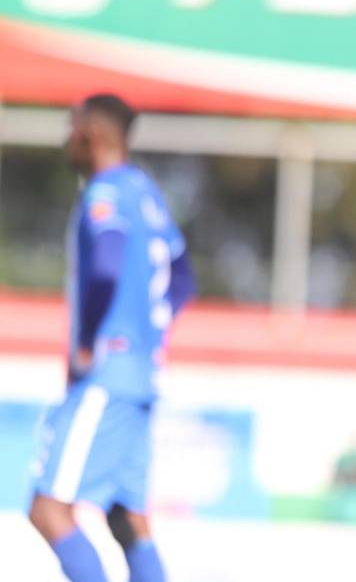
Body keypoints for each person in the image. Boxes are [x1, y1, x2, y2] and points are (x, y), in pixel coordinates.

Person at [27, 94, 195, 582]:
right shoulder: (147, 193)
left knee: (48, 509)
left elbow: (104, 262)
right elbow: (183, 280)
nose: (67, 138)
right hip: (142, 374)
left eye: (72, 127)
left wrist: (95, 338)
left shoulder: (104, 193)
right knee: (128, 519)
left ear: (92, 133)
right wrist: (150, 336)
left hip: (107, 374)